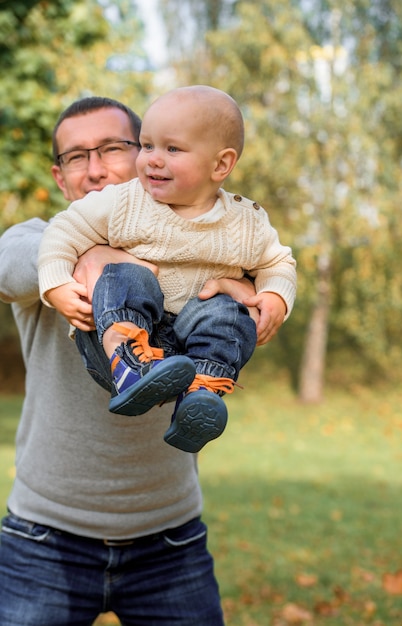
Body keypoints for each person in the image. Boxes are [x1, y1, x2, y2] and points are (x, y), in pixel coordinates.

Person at [0, 95, 280, 626]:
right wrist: (94, 254)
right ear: (60, 178)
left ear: (148, 154)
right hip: (44, 539)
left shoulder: (201, 243)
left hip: (170, 540)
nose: (96, 168)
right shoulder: (36, 241)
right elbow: (9, 266)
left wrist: (257, 290)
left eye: (113, 148)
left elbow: (263, 271)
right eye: (76, 157)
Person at [38, 85, 297, 455]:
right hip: (118, 342)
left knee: (225, 310)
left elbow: (277, 262)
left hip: (192, 352)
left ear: (221, 164)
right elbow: (61, 232)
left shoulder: (246, 224)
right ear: (59, 176)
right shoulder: (122, 203)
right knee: (128, 277)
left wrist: (272, 294)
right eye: (147, 146)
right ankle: (128, 368)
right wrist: (57, 284)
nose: (153, 159)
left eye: (171, 149)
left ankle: (201, 395)